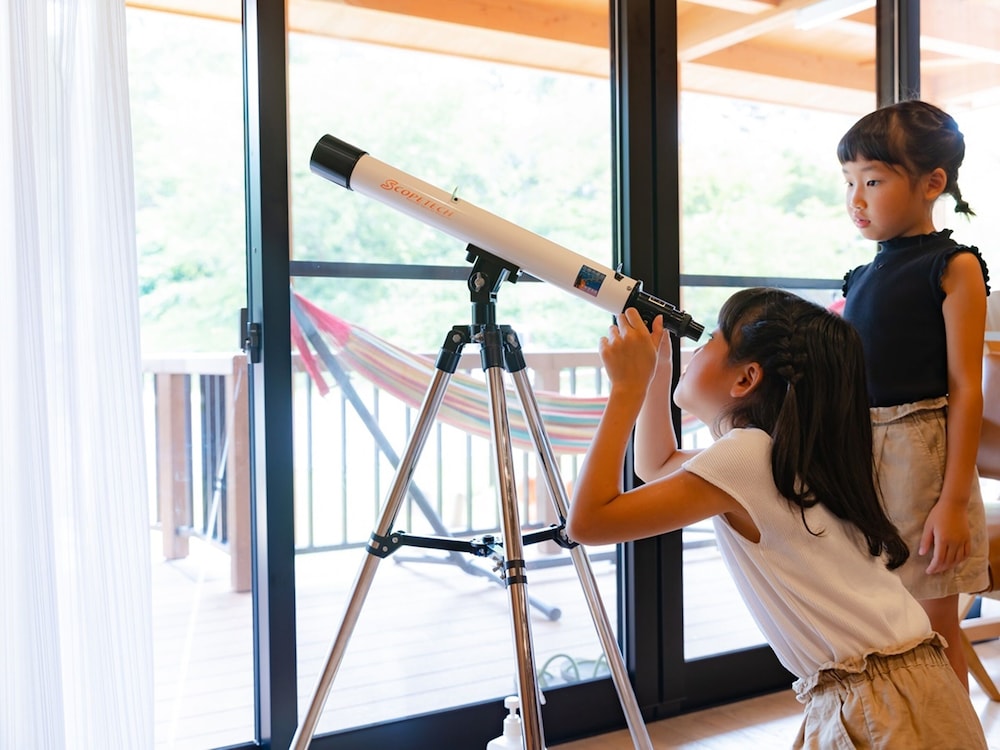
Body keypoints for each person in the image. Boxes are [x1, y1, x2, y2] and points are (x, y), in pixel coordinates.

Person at [567, 290, 988, 748]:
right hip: (900, 687)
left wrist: (626, 389)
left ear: (747, 378)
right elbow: (657, 463)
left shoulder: (746, 457)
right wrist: (655, 375)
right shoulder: (780, 457)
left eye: (711, 340)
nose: (697, 349)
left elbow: (587, 523)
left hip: (880, 697)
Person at [839, 99, 991, 687]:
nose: (856, 198)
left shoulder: (954, 267)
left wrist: (952, 502)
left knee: (932, 622)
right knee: (881, 619)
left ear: (932, 183)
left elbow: (965, 389)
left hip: (921, 457)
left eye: (872, 180)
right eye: (849, 181)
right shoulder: (861, 275)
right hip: (862, 451)